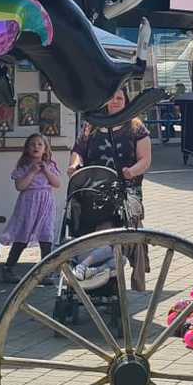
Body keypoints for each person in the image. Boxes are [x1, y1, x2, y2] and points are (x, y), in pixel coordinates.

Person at [70, 91, 154, 290]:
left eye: (120, 98)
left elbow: (145, 160)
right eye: (112, 98)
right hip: (94, 188)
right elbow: (78, 151)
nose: (115, 102)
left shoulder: (136, 126)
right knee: (83, 214)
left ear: (126, 101)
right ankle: (93, 261)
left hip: (126, 188)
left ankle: (93, 263)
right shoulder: (92, 125)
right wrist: (74, 166)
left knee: (121, 217)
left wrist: (131, 171)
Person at [2, 133, 63, 283]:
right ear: (27, 148)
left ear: (45, 149)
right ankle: (8, 268)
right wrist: (33, 171)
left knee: (46, 235)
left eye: (39, 144)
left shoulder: (50, 165)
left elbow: (57, 184)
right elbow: (20, 186)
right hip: (29, 204)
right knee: (23, 234)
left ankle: (45, 272)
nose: (36, 147)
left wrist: (46, 170)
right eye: (32, 144)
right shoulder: (23, 166)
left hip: (46, 204)